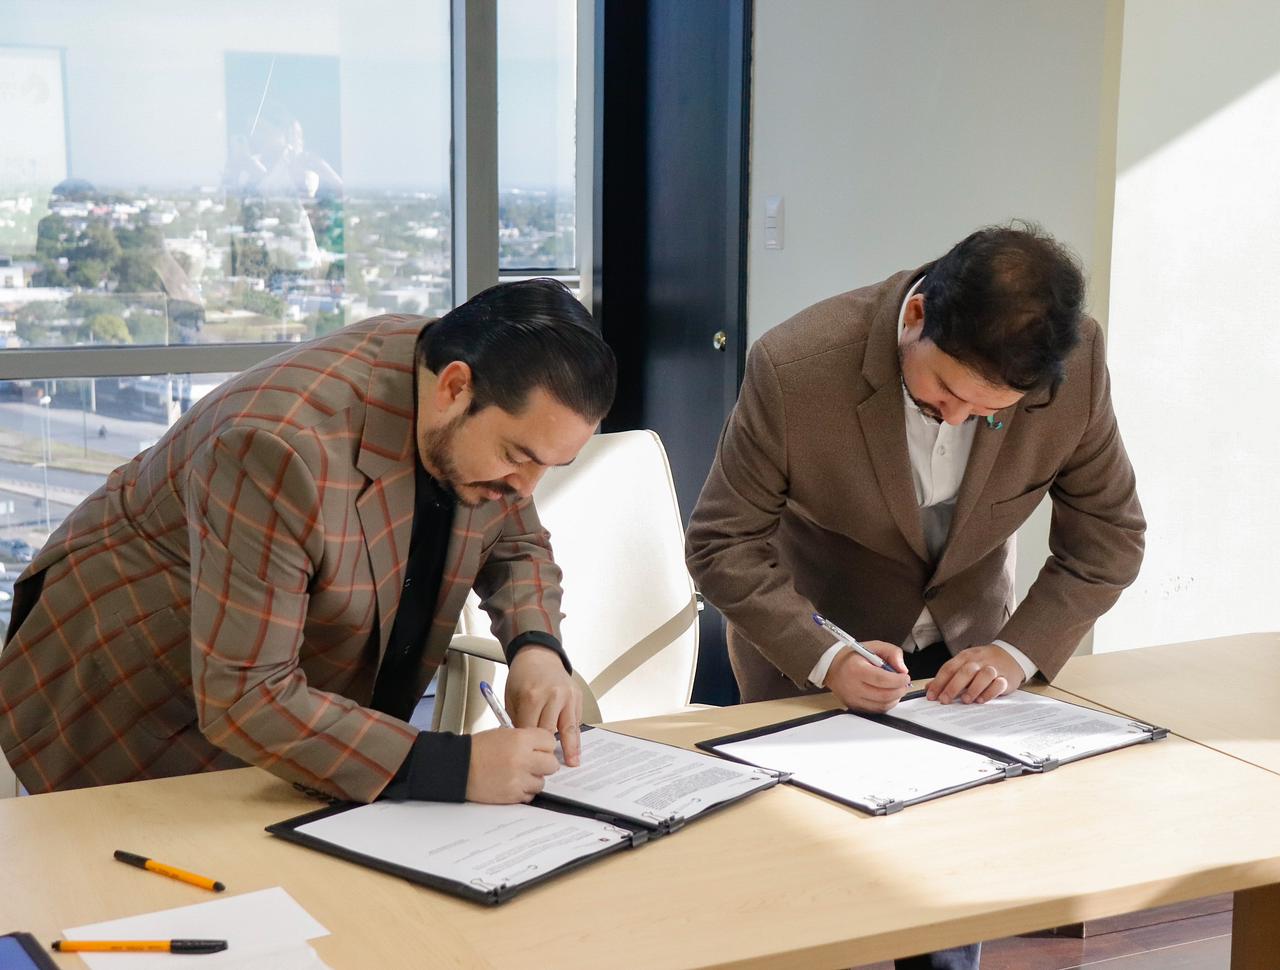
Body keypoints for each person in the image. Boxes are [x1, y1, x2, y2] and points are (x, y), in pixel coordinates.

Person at [685, 224, 1144, 970]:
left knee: (946, 898)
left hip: (971, 667)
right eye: (944, 396)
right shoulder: (796, 367)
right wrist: (827, 655)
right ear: (917, 315)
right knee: (797, 905)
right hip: (812, 655)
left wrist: (1017, 651)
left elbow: (1110, 539)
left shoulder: (1077, 363)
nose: (959, 420)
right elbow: (721, 543)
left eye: (988, 412)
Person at [0, 278, 616, 808]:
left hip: (275, 703)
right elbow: (246, 695)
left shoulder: (465, 391)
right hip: (135, 696)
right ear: (454, 389)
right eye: (517, 457)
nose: (525, 489)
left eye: (548, 467)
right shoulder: (278, 448)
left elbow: (516, 541)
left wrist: (536, 648)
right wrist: (453, 768)